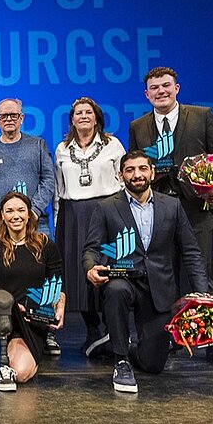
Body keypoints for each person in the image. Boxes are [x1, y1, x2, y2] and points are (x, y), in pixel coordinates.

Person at [84, 151, 211, 393]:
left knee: (153, 364)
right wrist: (90, 267)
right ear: (121, 175)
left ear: (152, 172)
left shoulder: (172, 206)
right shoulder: (106, 207)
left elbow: (191, 251)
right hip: (123, 279)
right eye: (130, 170)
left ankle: (116, 344)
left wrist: (202, 294)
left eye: (142, 169)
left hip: (159, 286)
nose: (137, 175)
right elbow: (92, 248)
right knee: (116, 290)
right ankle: (120, 360)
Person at [128, 66, 213, 365]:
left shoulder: (201, 116)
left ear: (177, 88)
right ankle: (172, 336)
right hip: (158, 213)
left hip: (196, 210)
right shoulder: (139, 125)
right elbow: (135, 166)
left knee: (203, 275)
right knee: (163, 278)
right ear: (147, 94)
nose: (161, 91)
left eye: (166, 86)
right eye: (155, 88)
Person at [0, 98, 58, 355]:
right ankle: (9, 329)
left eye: (14, 115)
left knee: (44, 278)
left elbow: (48, 178)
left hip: (36, 224)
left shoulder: (37, 145)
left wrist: (32, 210)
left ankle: (48, 330)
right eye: (4, 116)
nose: (9, 119)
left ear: (22, 118)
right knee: (6, 279)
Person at [53, 98, 124, 356]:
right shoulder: (62, 149)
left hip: (106, 211)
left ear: (97, 118)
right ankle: (92, 330)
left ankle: (111, 327)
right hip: (73, 215)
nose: (83, 116)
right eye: (78, 113)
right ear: (72, 119)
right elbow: (59, 190)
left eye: (88, 112)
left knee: (105, 267)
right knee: (77, 272)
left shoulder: (113, 145)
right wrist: (59, 222)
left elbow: (124, 180)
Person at [0, 192, 65, 392]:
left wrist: (59, 307)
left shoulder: (46, 245)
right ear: (2, 215)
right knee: (2, 300)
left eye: (21, 210)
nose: (15, 216)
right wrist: (11, 306)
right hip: (3, 313)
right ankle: (5, 352)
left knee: (21, 374)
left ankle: (21, 353)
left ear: (29, 215)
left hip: (34, 317)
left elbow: (57, 284)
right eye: (9, 211)